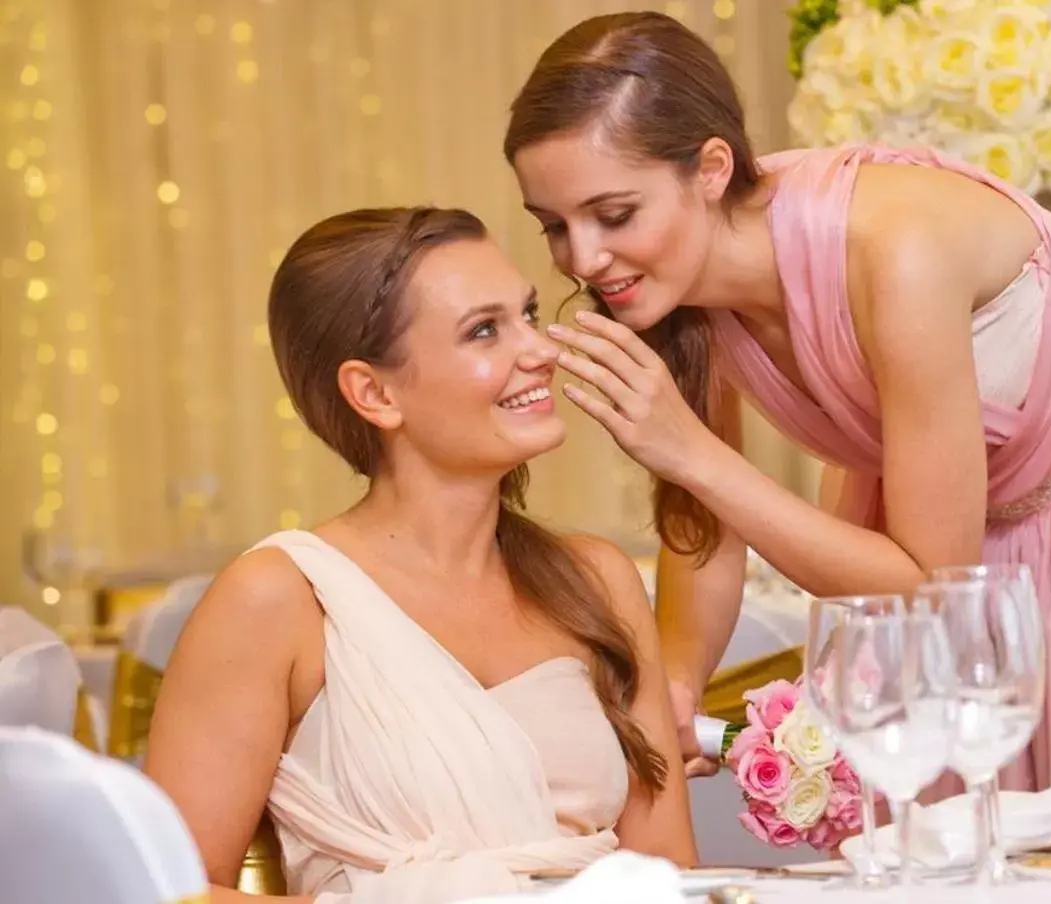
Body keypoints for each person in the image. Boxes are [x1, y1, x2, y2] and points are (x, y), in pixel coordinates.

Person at [506, 12, 1051, 822]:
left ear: (713, 167)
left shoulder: (894, 251)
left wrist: (692, 453)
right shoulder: (675, 288)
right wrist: (678, 685)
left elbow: (925, 589)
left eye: (615, 215)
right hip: (984, 561)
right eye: (554, 226)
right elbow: (706, 521)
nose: (586, 259)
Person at [143, 207, 695, 903]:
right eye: (485, 330)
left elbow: (671, 871)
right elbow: (166, 889)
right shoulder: (279, 598)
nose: (540, 350)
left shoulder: (596, 580)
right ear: (374, 393)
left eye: (526, 313)